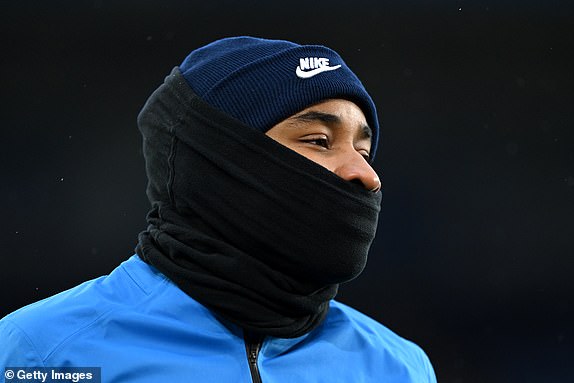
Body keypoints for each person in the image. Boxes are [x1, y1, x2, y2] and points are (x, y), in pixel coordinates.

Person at [0, 36, 436, 382]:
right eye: (320, 141)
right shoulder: (43, 352)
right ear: (219, 158)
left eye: (365, 150)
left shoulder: (399, 368)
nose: (366, 176)